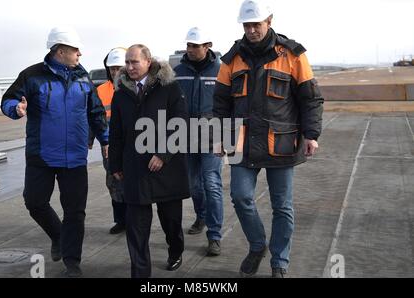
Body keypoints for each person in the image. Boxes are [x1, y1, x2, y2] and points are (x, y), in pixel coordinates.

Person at [213, 0, 324, 278]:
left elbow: (311, 99)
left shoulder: (293, 54)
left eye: (256, 24)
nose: (251, 30)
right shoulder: (231, 59)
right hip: (243, 142)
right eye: (247, 25)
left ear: (269, 21)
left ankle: (279, 262)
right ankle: (257, 245)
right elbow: (220, 104)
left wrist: (311, 134)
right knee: (240, 197)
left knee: (282, 206)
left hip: (281, 142)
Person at [1, 26, 109, 278]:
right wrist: (15, 108)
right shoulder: (32, 75)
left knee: (75, 211)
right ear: (61, 51)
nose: (80, 54)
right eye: (75, 50)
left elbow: (95, 113)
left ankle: (72, 263)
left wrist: (105, 140)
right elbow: (8, 99)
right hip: (41, 155)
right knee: (35, 202)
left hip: (74, 157)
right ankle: (59, 236)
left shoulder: (84, 79)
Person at [109, 44, 189, 278]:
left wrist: (163, 154)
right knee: (136, 227)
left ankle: (175, 251)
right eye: (127, 62)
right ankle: (140, 273)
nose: (129, 67)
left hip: (167, 168)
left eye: (134, 62)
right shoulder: (121, 93)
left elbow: (181, 124)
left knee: (171, 221)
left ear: (148, 61)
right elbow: (116, 133)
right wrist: (115, 165)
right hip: (135, 168)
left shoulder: (170, 88)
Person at [174, 27, 223, 256]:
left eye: (195, 45)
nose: (190, 49)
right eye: (188, 45)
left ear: (208, 46)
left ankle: (214, 235)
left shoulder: (222, 70)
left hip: (213, 138)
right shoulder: (177, 72)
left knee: (212, 184)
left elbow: (230, 105)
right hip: (186, 138)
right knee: (193, 185)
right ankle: (201, 216)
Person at [89, 47, 127, 235]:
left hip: (132, 144)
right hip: (109, 145)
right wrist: (90, 140)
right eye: (112, 68)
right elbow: (93, 116)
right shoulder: (101, 90)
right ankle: (120, 220)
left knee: (132, 183)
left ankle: (133, 219)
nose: (115, 72)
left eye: (118, 67)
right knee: (114, 182)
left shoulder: (135, 86)